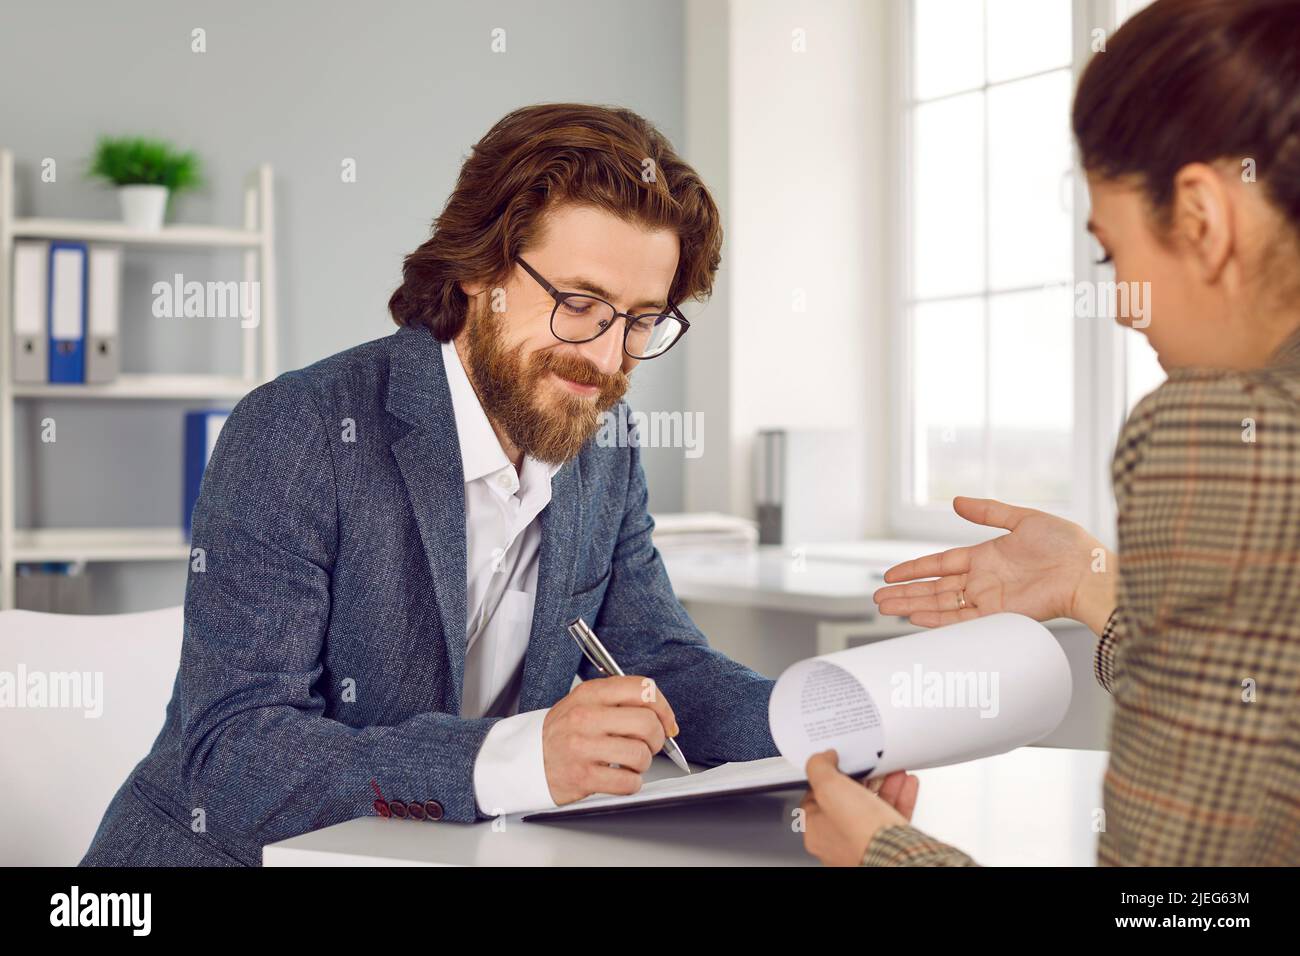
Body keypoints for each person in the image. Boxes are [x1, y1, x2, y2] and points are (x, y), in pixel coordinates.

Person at [81, 103, 779, 866]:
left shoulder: (602, 445)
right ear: (480, 269)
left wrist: (835, 725)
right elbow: (234, 754)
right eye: (579, 304)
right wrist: (512, 760)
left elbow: (663, 665)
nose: (608, 359)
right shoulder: (298, 431)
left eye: (642, 320)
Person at [800, 0, 1300, 867]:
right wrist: (1088, 579)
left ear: (1202, 217)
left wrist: (887, 854)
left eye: (1112, 254)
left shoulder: (1222, 429)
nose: (1115, 305)